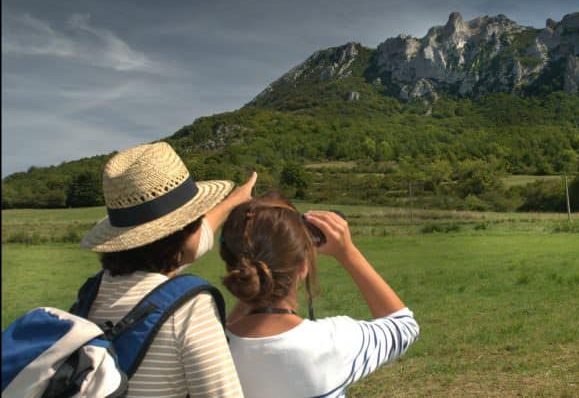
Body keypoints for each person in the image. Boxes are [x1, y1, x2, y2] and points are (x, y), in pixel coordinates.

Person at [79, 141, 255, 398]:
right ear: (183, 236)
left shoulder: (93, 292)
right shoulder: (190, 310)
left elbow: (187, 246)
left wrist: (234, 201)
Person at [221, 192, 420, 398]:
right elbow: (404, 326)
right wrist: (347, 252)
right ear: (302, 266)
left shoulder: (209, 349)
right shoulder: (332, 342)